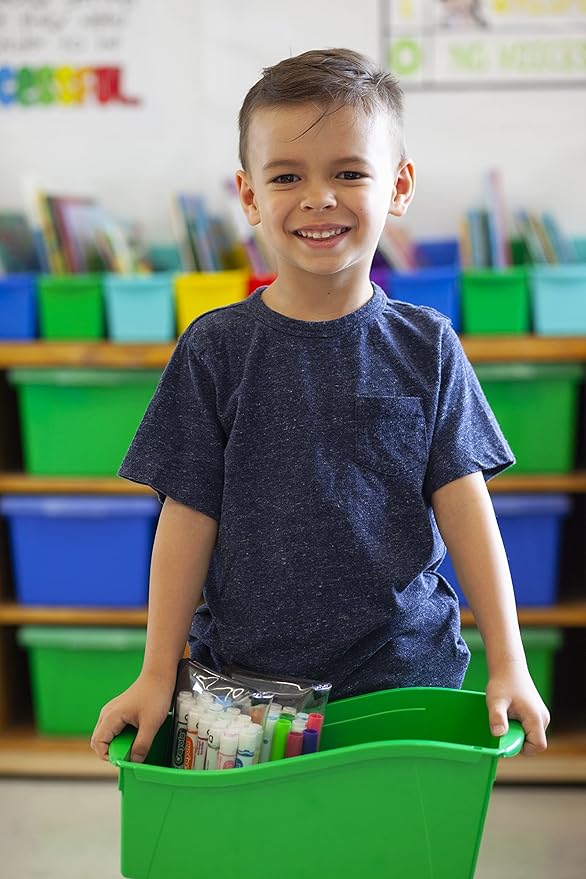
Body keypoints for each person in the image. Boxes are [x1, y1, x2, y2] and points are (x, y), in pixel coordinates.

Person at [91, 47, 549, 764]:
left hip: (404, 678)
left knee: (395, 835)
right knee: (257, 836)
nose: (318, 198)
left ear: (398, 186)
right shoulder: (215, 348)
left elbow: (468, 510)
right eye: (286, 177)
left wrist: (510, 662)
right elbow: (186, 518)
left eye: (349, 173)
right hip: (242, 690)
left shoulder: (428, 345)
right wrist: (155, 673)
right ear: (249, 196)